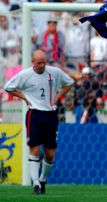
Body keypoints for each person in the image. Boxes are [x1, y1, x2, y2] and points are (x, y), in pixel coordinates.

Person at [4, 49, 74, 194]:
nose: (42, 65)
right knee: (34, 150)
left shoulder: (54, 72)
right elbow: (8, 87)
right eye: (39, 63)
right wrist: (24, 98)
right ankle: (35, 184)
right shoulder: (25, 75)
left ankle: (42, 178)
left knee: (50, 154)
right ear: (33, 62)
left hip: (50, 115)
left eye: (44, 62)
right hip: (34, 115)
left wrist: (57, 97)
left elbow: (69, 83)